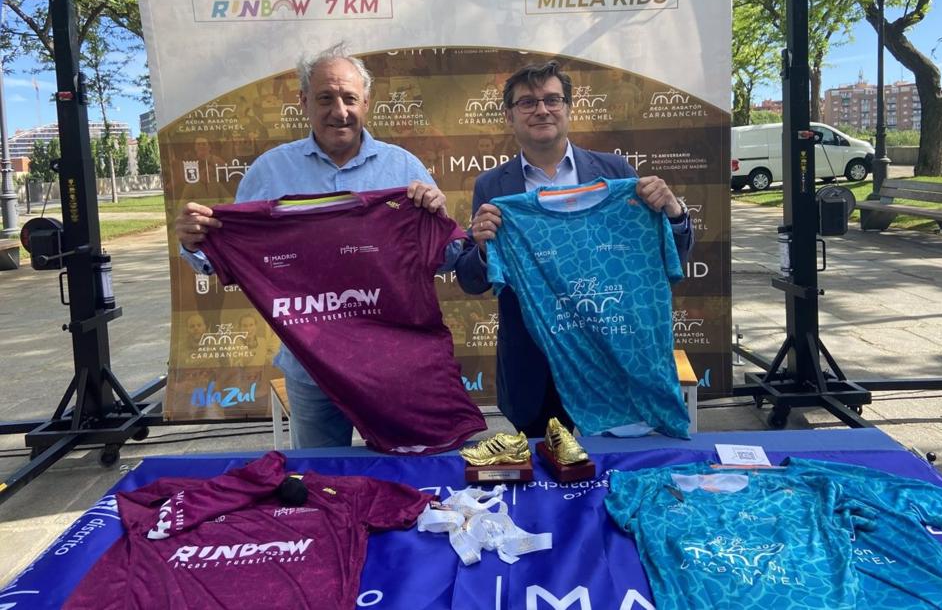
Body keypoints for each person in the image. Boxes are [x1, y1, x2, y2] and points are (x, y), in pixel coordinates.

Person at [174, 42, 464, 448]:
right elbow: (226, 257)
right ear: (304, 101)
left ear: (367, 103)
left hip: (393, 364)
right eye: (326, 98)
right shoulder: (270, 171)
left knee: (405, 465)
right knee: (320, 473)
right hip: (310, 369)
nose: (339, 111)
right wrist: (195, 242)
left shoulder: (404, 167)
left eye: (350, 99)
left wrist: (437, 220)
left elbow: (446, 260)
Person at [454, 60, 693, 437]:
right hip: (535, 366)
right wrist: (483, 248)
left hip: (613, 355)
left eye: (552, 99)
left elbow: (666, 259)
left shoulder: (616, 173)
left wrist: (674, 214)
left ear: (568, 108)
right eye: (527, 102)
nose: (542, 110)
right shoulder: (493, 187)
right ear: (509, 115)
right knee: (545, 467)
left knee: (618, 463)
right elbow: (471, 281)